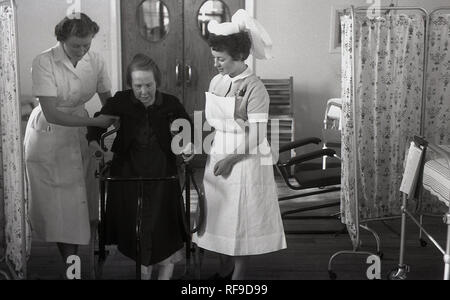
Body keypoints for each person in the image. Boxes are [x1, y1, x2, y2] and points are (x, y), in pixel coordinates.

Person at [192, 9, 287, 280]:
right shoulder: (217, 81)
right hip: (220, 150)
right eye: (214, 58)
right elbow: (214, 121)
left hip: (245, 158)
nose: (216, 64)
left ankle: (240, 275)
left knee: (241, 216)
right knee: (220, 213)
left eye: (220, 59)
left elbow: (257, 136)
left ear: (240, 57)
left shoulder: (255, 88)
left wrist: (230, 159)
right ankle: (224, 269)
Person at [23, 13, 117, 276]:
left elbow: (108, 98)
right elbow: (52, 113)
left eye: (87, 44)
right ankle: (71, 269)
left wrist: (117, 116)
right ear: (62, 39)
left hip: (79, 131)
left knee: (81, 202)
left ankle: (77, 264)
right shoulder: (44, 61)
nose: (83, 50)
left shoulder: (95, 60)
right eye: (77, 45)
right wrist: (98, 124)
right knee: (60, 209)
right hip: (49, 134)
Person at [87, 54, 192, 280]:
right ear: (129, 84)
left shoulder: (170, 103)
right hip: (129, 174)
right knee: (140, 229)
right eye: (137, 86)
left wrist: (186, 144)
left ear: (157, 83)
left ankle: (161, 270)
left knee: (162, 228)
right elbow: (96, 126)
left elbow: (188, 130)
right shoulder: (121, 101)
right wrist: (98, 147)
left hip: (163, 174)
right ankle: (144, 271)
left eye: (149, 85)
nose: (144, 91)